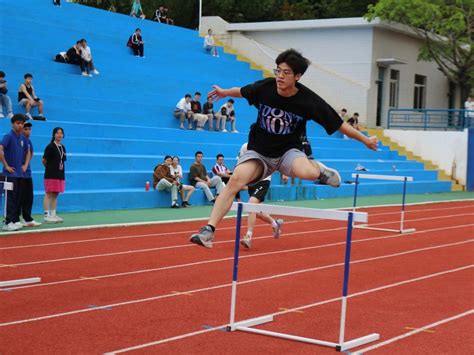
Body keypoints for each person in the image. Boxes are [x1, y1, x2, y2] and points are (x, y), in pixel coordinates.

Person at [190, 48, 378, 248]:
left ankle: (320, 170)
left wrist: (365, 140)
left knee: (306, 172)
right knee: (235, 179)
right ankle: (208, 231)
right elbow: (243, 91)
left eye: (286, 72)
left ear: (297, 76)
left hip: (288, 152)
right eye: (278, 70)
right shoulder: (266, 87)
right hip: (259, 152)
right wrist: (224, 92)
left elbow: (339, 124)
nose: (280, 76)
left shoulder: (308, 100)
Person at [238, 143, 285, 249]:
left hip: (263, 180)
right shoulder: (245, 147)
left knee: (251, 205)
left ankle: (248, 237)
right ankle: (275, 223)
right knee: (256, 212)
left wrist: (284, 174)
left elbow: (277, 161)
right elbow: (241, 164)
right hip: (251, 181)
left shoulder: (266, 146)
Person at [0, 114, 29, 231]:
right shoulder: (8, 136)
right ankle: (6, 222)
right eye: (18, 123)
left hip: (19, 174)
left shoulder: (22, 138)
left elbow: (28, 152)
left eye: (22, 123)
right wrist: (6, 165)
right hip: (9, 175)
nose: (20, 125)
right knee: (9, 199)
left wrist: (25, 165)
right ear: (13, 124)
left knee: (16, 198)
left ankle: (12, 220)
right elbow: (0, 149)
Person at [43, 127, 66, 223]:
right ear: (54, 135)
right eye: (57, 133)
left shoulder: (63, 147)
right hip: (50, 174)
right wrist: (50, 169)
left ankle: (53, 214)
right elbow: (44, 160)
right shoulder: (50, 147)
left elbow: (62, 161)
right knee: (48, 193)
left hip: (60, 174)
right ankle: (46, 215)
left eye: (61, 133)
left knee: (55, 194)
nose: (59, 135)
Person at [20, 122, 41, 227]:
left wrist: (26, 164)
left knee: (29, 197)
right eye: (26, 129)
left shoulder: (29, 142)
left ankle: (27, 218)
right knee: (19, 197)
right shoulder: (19, 140)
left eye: (29, 129)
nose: (28, 131)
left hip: (27, 173)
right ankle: (15, 219)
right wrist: (21, 165)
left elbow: (31, 153)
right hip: (19, 174)